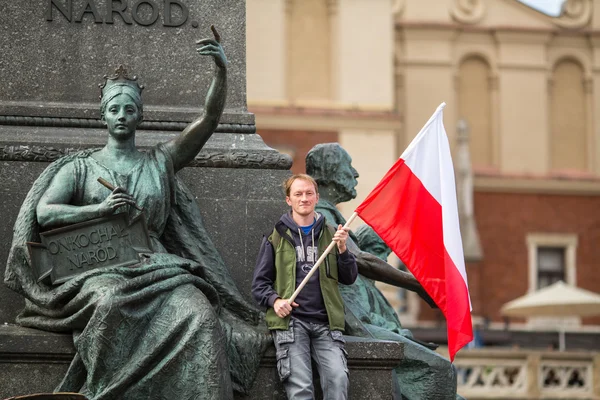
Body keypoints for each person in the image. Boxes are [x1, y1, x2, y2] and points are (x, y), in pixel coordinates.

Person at [4, 27, 269, 400]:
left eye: (129, 109)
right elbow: (46, 214)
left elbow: (208, 121)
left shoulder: (160, 162)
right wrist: (98, 209)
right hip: (97, 266)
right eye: (114, 109)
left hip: (155, 264)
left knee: (199, 314)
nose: (122, 116)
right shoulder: (79, 167)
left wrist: (221, 73)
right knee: (111, 304)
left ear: (140, 116)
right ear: (103, 117)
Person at [306, 143, 464, 400]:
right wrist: (419, 285)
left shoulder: (329, 217)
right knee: (438, 369)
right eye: (349, 166)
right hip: (348, 325)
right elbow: (361, 261)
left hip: (360, 322)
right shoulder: (319, 216)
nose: (355, 174)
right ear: (329, 171)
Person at [251, 173, 358, 400]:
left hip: (326, 323)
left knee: (338, 380)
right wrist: (276, 301)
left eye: (309, 193)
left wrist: (342, 250)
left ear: (317, 197)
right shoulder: (276, 236)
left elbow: (349, 278)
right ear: (289, 200)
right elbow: (259, 285)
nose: (304, 198)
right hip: (292, 323)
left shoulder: (331, 234)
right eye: (298, 194)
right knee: (301, 390)